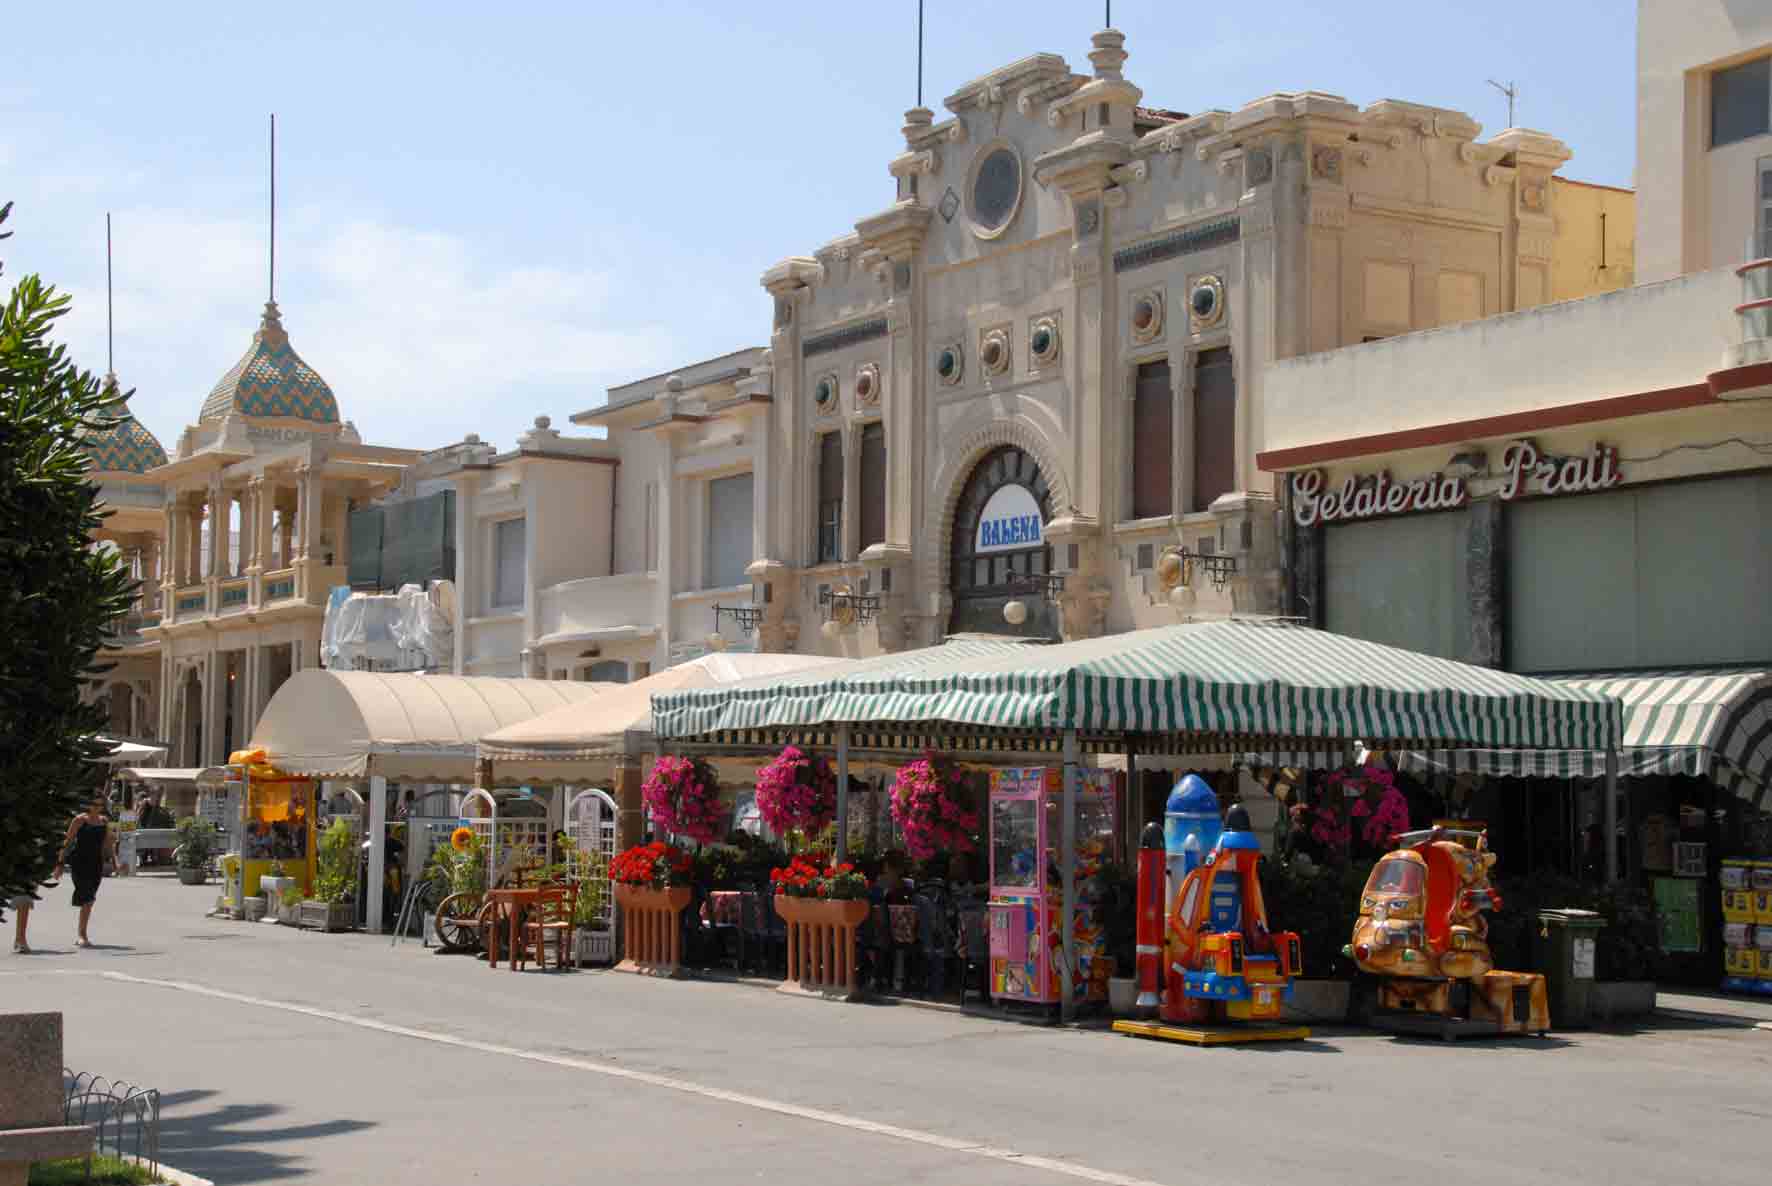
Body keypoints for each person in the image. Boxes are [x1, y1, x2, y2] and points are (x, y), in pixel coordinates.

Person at [52, 795, 118, 948]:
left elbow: (108, 844)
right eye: (94, 804)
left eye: (100, 805)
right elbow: (67, 842)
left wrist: (115, 862)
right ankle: (82, 935)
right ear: (88, 805)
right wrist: (59, 864)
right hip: (79, 863)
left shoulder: (104, 821)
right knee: (87, 896)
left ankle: (82, 932)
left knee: (90, 898)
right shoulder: (79, 820)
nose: (96, 807)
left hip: (96, 864)